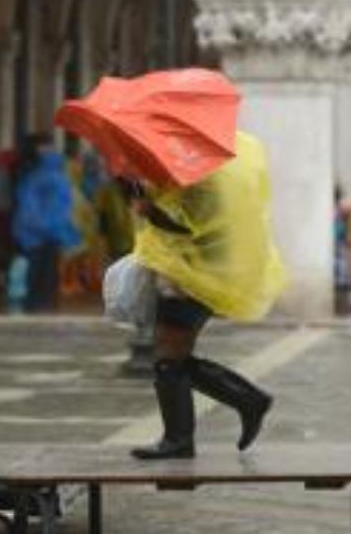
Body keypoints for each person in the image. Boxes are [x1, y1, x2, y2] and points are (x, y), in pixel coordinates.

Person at [120, 131, 289, 459]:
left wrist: (148, 209)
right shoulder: (214, 159)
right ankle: (244, 402)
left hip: (193, 275)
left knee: (169, 352)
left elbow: (192, 223)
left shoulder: (203, 173)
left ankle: (184, 436)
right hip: (191, 270)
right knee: (171, 354)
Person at [11, 140, 81, 311]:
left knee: (35, 267)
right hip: (54, 232)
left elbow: (27, 205)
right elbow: (66, 207)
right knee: (49, 268)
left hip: (35, 233)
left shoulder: (33, 177)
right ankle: (47, 300)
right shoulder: (62, 179)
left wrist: (35, 225)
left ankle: (33, 301)